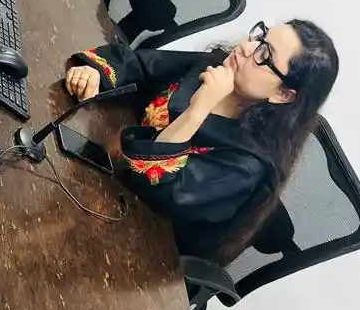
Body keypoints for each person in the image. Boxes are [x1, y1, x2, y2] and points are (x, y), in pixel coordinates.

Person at [64, 20, 339, 257]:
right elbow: (144, 65)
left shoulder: (249, 166)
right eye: (260, 37)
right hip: (103, 183)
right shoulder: (216, 67)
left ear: (283, 94)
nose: (247, 47)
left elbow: (156, 185)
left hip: (139, 249)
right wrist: (95, 74)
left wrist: (199, 109)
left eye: (264, 54)